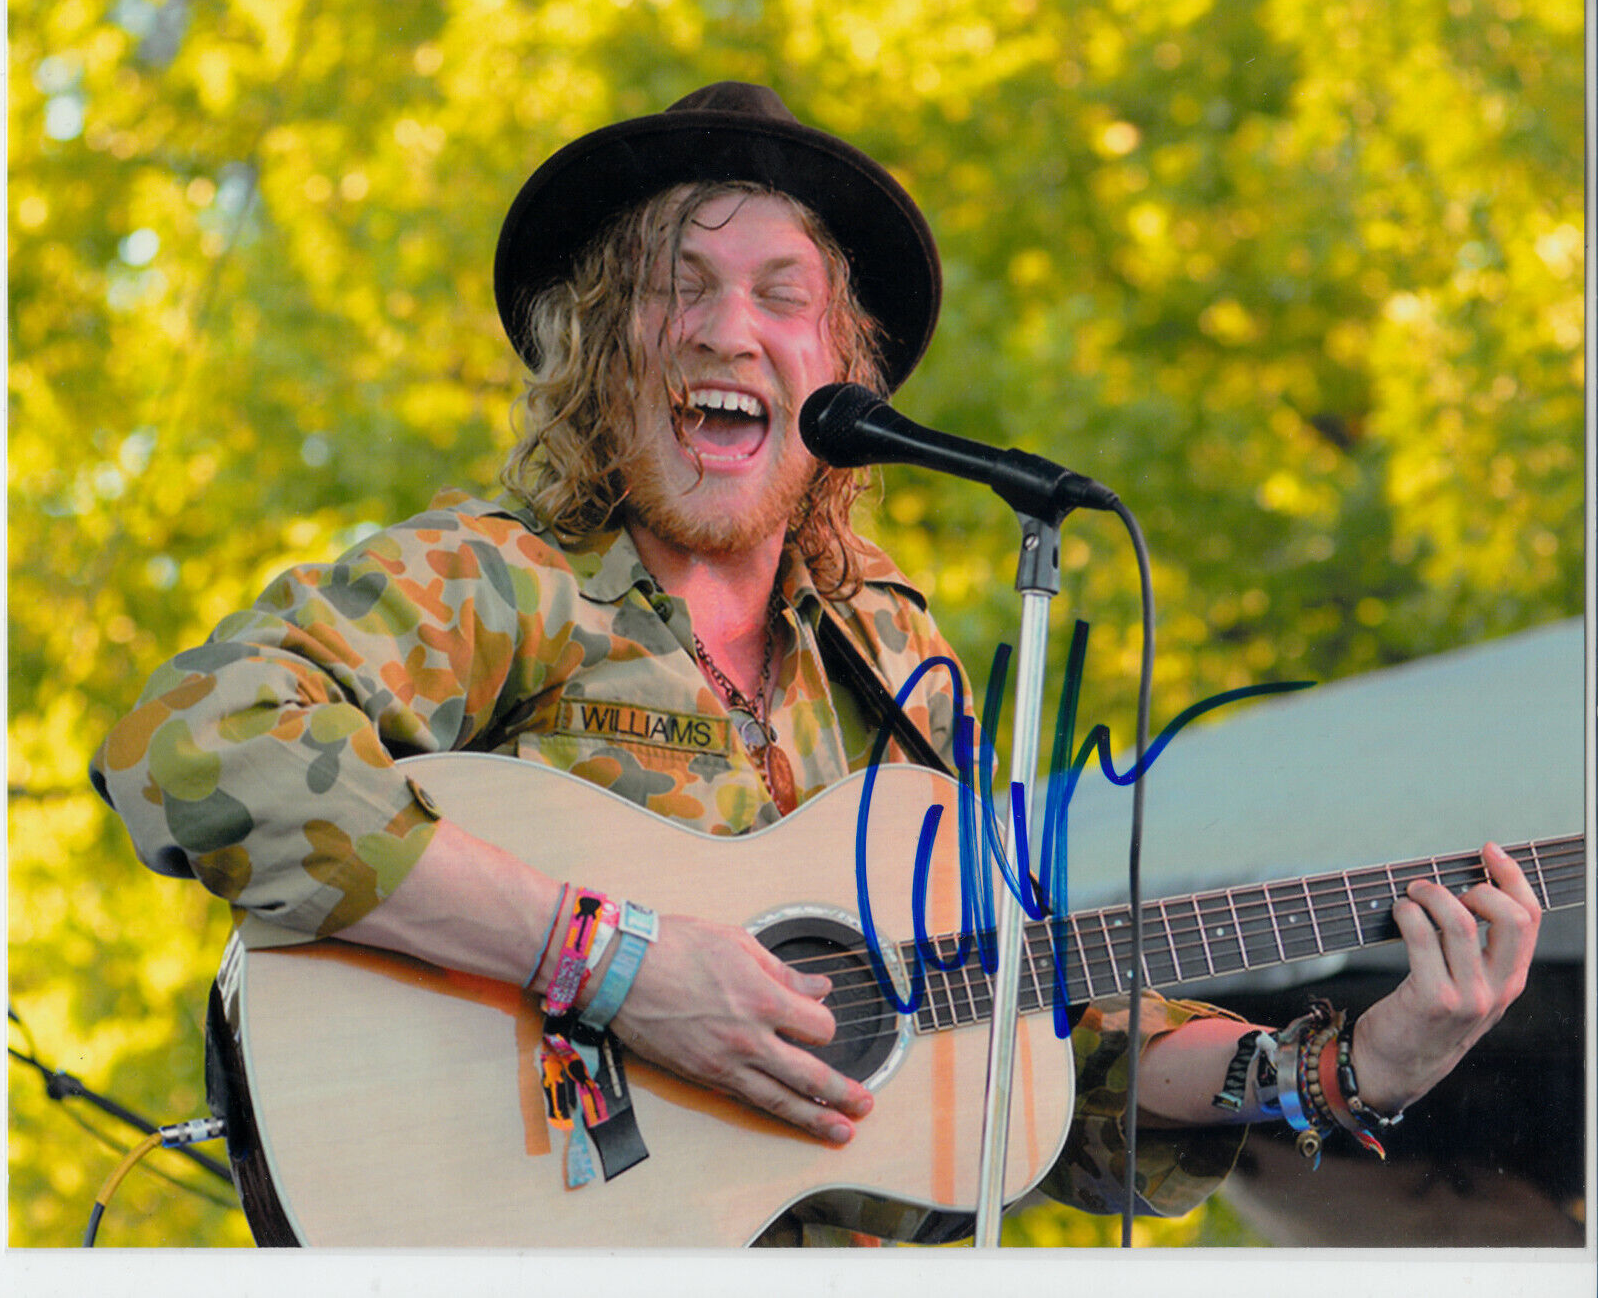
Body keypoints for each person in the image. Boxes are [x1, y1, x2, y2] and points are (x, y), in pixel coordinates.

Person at [92, 82, 1542, 1246]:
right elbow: (197, 746)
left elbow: (1055, 1050)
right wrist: (617, 964)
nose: (730, 326)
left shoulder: (901, 671)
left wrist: (1347, 1067)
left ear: (839, 368)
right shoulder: (501, 579)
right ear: (608, 344)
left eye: (785, 295)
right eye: (681, 285)